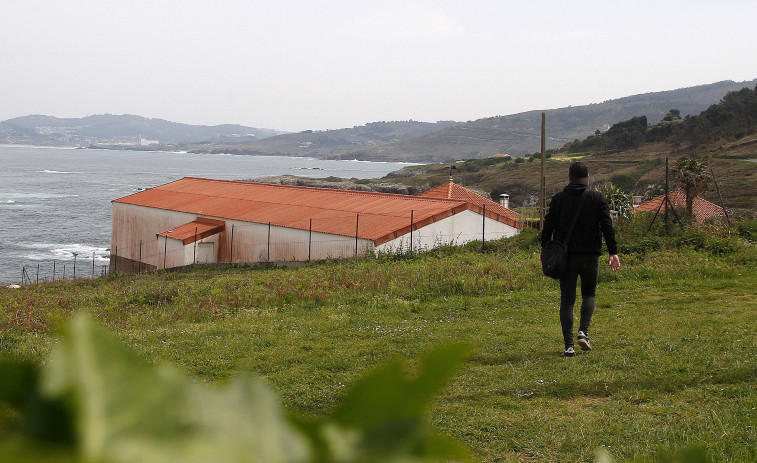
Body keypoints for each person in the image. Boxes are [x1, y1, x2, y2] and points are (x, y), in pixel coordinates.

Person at [541, 161, 620, 357]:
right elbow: (607, 227)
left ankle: (569, 346)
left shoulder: (559, 199)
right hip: (590, 255)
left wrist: (545, 249)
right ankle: (583, 332)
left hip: (566, 257)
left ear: (569, 176)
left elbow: (548, 226)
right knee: (589, 294)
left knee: (567, 300)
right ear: (587, 177)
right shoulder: (597, 198)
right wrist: (613, 252)